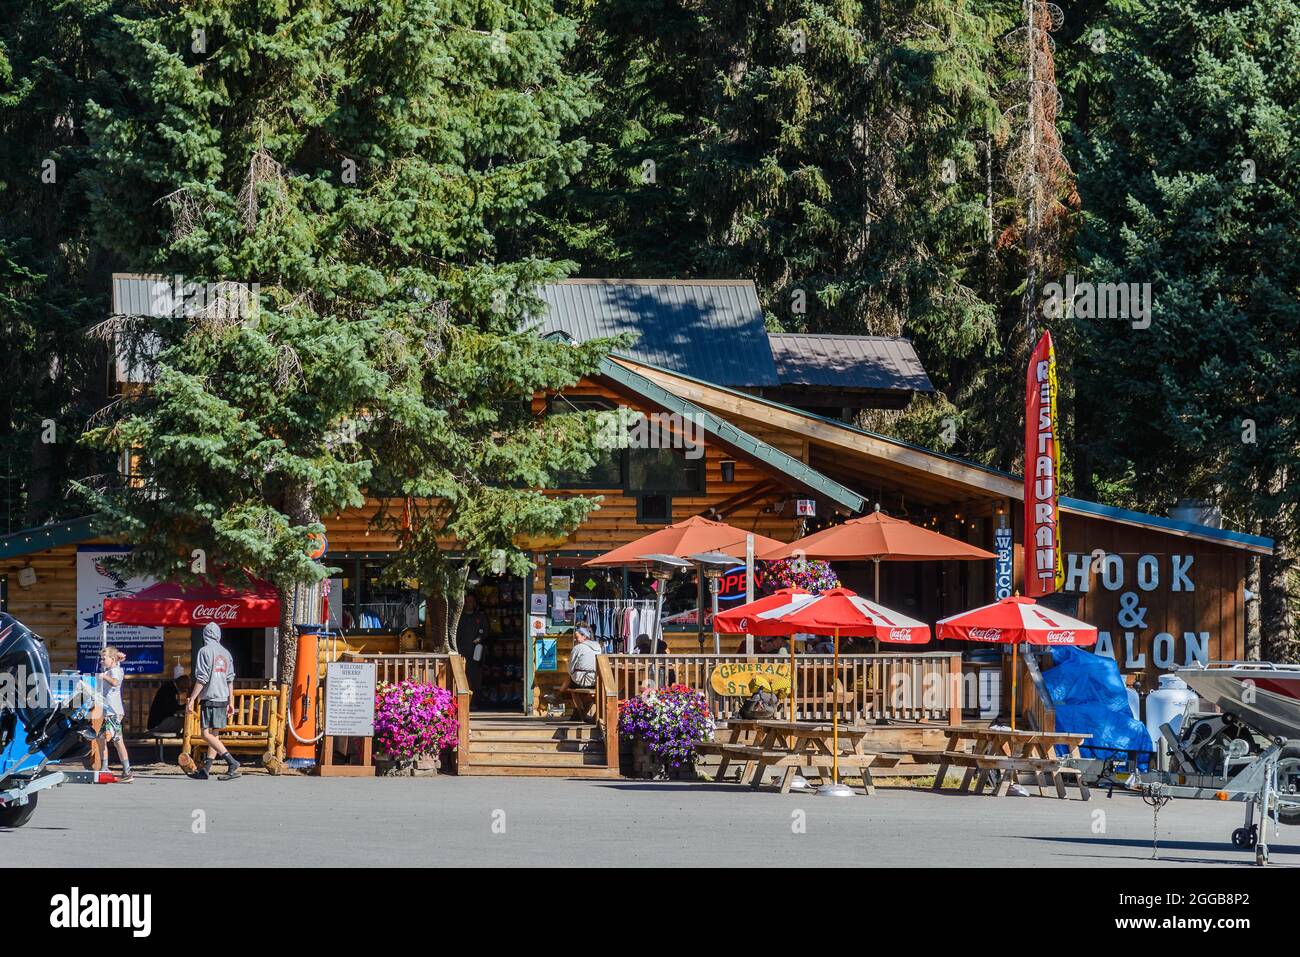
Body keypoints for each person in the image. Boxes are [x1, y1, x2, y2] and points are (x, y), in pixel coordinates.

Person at [186, 622, 241, 780]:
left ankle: (231, 762)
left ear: (205, 635)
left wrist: (192, 699)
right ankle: (206, 770)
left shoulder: (204, 651)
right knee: (214, 735)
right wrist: (231, 701)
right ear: (218, 635)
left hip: (210, 696)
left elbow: (202, 678)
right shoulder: (226, 652)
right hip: (223, 697)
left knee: (205, 734)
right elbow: (230, 679)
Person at [96, 646, 133, 782]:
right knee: (101, 738)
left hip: (113, 712)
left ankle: (127, 771)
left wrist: (104, 676)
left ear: (111, 659)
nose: (101, 661)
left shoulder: (114, 671)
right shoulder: (113, 668)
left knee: (117, 741)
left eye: (103, 658)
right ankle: (105, 767)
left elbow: (115, 682)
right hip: (109, 711)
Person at [559, 625, 599, 719]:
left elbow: (570, 668)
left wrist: (572, 673)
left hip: (582, 680)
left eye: (577, 638)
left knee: (571, 685)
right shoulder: (598, 647)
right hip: (595, 680)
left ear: (584, 636)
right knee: (573, 680)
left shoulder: (578, 648)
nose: (575, 640)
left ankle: (580, 710)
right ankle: (584, 709)